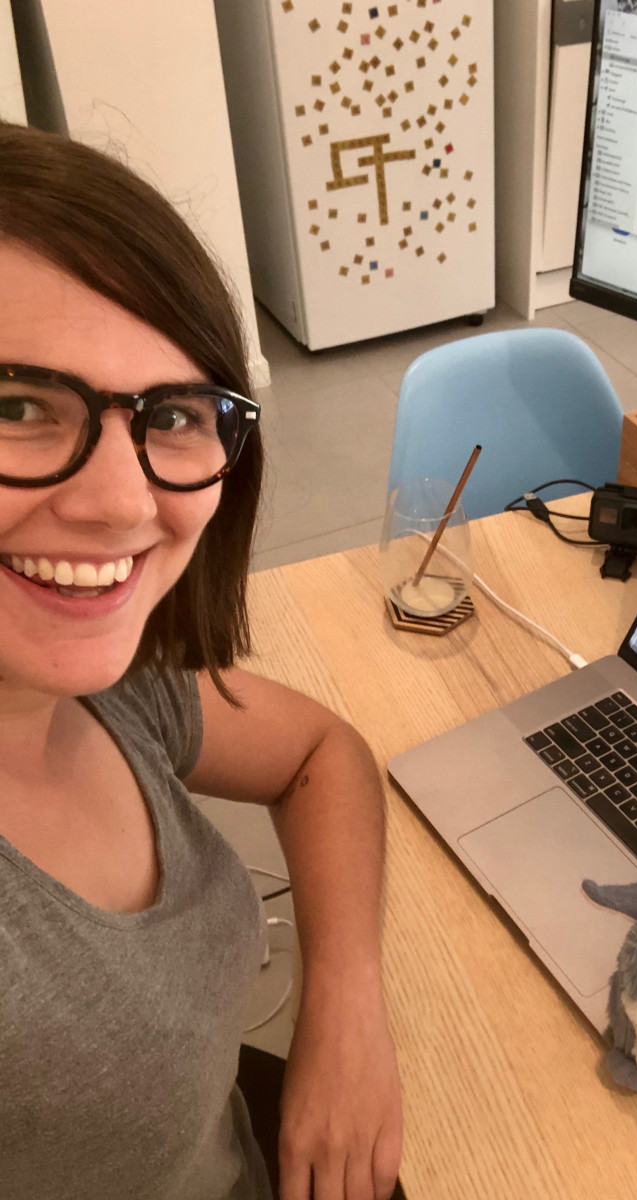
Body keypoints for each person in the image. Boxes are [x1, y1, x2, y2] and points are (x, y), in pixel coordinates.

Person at [0, 121, 401, 1200]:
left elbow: (320, 751)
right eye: (17, 405)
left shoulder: (100, 690)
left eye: (172, 414)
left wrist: (345, 1002)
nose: (127, 502)